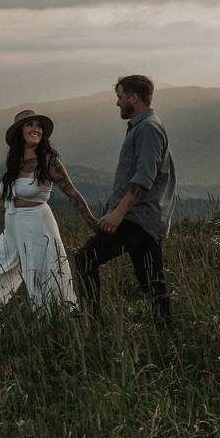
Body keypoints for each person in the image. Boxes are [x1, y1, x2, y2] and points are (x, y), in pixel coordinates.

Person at [0, 109, 98, 325]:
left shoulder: (49, 161)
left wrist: (93, 222)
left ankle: (56, 322)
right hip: (13, 225)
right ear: (20, 131)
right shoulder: (15, 161)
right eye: (30, 125)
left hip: (38, 225)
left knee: (43, 275)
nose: (35, 129)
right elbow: (5, 194)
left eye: (38, 126)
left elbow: (72, 193)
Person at [75, 75, 177, 328]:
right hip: (146, 218)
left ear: (133, 98)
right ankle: (167, 332)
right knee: (151, 280)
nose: (117, 103)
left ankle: (92, 323)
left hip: (137, 218)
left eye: (120, 97)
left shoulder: (148, 129)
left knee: (85, 259)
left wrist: (118, 213)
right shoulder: (143, 126)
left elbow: (145, 176)